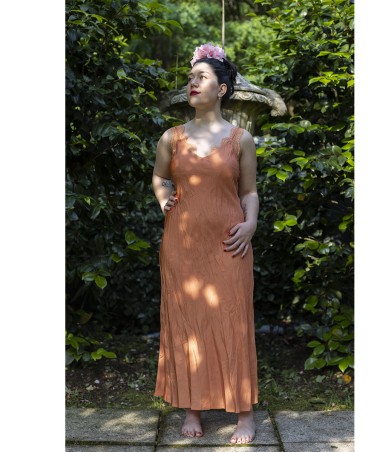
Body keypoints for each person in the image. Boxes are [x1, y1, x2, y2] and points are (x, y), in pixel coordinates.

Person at [152, 43, 259, 444]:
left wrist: (251, 224)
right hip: (181, 245)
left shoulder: (241, 139)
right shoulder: (171, 137)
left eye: (202, 77)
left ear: (223, 89)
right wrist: (164, 198)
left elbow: (249, 192)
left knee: (234, 320)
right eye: (190, 77)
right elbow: (159, 178)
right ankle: (192, 407)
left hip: (230, 244)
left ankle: (244, 413)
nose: (192, 83)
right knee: (188, 322)